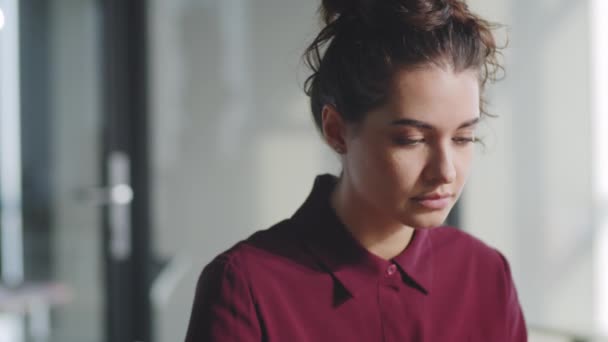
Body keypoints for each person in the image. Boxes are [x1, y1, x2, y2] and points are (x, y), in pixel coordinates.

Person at [185, 0, 527, 340]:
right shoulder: (245, 287)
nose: (445, 171)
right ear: (337, 131)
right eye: (411, 139)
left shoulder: (485, 274)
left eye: (463, 137)